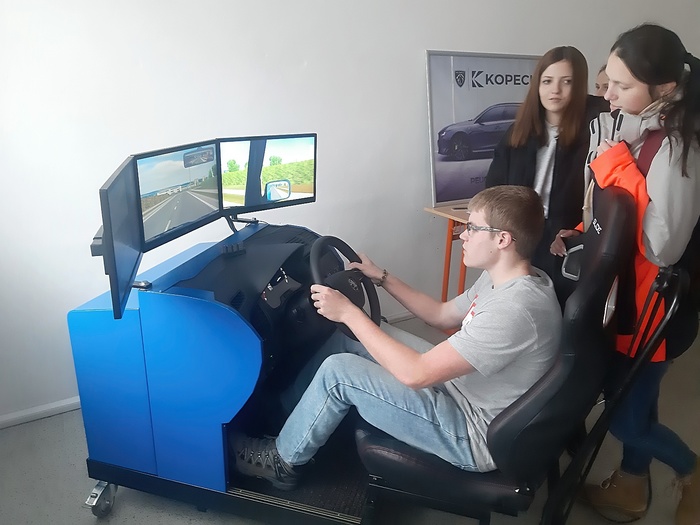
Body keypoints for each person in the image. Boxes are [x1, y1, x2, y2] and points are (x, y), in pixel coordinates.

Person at [231, 185, 561, 490]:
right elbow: (441, 314)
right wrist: (382, 277)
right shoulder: (506, 278)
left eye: (473, 228)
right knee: (351, 338)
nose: (463, 235)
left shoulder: (515, 309)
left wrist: (348, 312)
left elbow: (416, 374)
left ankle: (282, 461)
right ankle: (287, 416)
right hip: (464, 389)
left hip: (472, 432)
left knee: (339, 372)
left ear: (502, 239)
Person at [550, 24, 700, 525]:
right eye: (608, 81)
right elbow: (619, 213)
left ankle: (692, 470)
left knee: (626, 418)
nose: (607, 94)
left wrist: (615, 166)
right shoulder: (640, 131)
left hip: (655, 307)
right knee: (638, 402)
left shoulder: (677, 147)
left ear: (665, 89)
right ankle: (633, 485)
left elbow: (662, 246)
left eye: (621, 85)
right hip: (628, 299)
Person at [485, 46, 608, 309]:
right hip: (519, 235)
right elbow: (493, 190)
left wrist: (579, 232)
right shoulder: (517, 133)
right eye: (548, 81)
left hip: (565, 240)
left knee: (556, 308)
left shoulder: (594, 131)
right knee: (512, 305)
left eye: (567, 82)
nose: (555, 90)